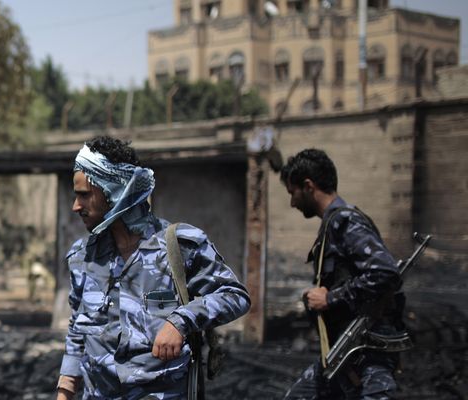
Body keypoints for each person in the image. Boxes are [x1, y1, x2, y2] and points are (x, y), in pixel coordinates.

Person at [56, 136, 250, 400]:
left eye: (84, 195)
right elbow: (79, 327)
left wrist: (180, 321)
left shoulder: (178, 246)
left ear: (114, 191)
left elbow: (234, 296)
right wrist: (66, 388)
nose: (76, 206)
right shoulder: (83, 256)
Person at [280, 149, 406, 399]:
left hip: (368, 354)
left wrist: (331, 298)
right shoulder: (332, 224)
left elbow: (385, 272)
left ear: (308, 186)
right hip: (343, 352)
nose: (292, 202)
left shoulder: (345, 221)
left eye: (292, 193)